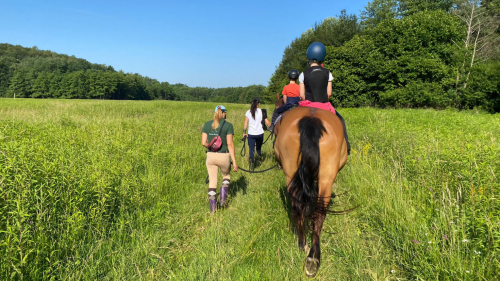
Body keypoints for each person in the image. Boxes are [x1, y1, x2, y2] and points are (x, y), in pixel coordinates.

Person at [299, 42, 351, 155]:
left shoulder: (303, 74)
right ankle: (346, 146)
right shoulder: (328, 73)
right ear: (322, 57)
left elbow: (302, 95)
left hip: (307, 105)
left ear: (309, 57)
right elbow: (329, 93)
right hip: (324, 105)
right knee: (341, 120)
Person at [201, 105, 238, 213]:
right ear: (224, 113)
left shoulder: (207, 124)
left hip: (210, 156)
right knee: (226, 176)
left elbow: (203, 143)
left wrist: (211, 145)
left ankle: (213, 211)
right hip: (224, 156)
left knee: (212, 182)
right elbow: (230, 144)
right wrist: (234, 162)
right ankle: (222, 201)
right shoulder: (228, 125)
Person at [243, 97, 271, 169]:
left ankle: (251, 164)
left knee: (251, 149)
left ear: (252, 103)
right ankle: (259, 160)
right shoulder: (262, 111)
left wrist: (244, 132)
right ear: (259, 104)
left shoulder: (248, 112)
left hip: (251, 134)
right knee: (258, 148)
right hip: (260, 134)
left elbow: (245, 124)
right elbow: (268, 123)